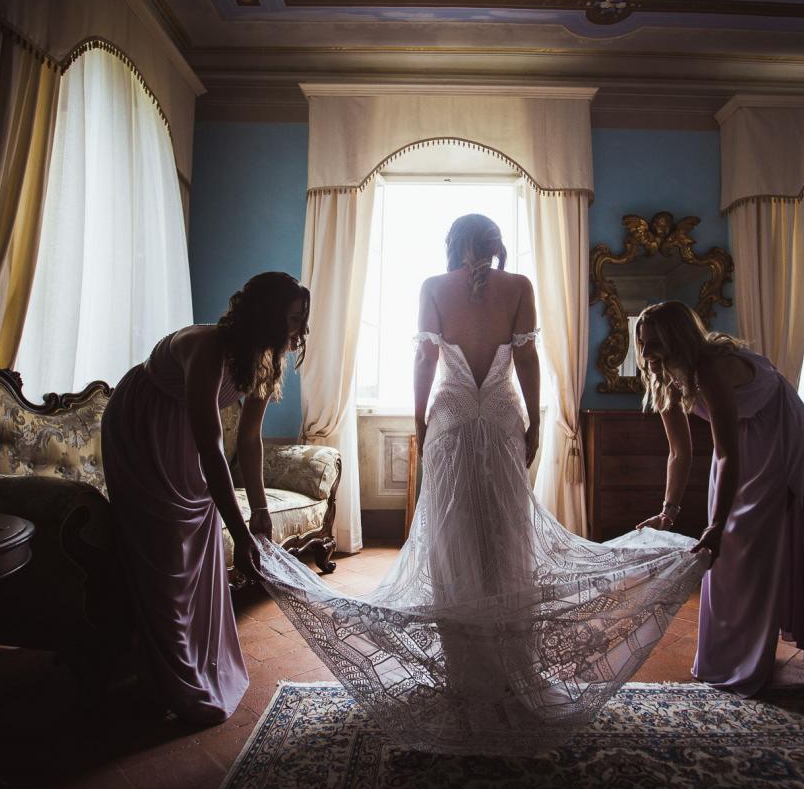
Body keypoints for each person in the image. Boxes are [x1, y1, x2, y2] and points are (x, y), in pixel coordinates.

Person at [253, 214, 706, 755]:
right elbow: (527, 356)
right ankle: (510, 669)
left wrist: (421, 422)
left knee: (453, 537)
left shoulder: (432, 288)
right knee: (505, 535)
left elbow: (424, 358)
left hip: (450, 414)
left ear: (454, 245)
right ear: (494, 247)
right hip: (500, 413)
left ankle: (468, 674)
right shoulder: (520, 288)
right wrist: (535, 420)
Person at [101, 271, 310, 724]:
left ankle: (191, 663)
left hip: (180, 433)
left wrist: (259, 514)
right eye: (292, 319)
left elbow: (250, 439)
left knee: (200, 536)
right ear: (266, 315)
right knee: (168, 545)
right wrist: (241, 531)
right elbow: (212, 448)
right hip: (141, 425)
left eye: (300, 320)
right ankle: (168, 676)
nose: (298, 331)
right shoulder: (210, 347)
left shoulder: (267, 358)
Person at [634, 300, 804, 694]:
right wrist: (668, 513)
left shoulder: (707, 365)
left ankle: (752, 662)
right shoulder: (660, 376)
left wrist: (715, 526)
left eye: (655, 342)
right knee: (722, 552)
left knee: (743, 541)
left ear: (678, 339)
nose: (646, 354)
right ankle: (724, 659)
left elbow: (726, 452)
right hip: (739, 437)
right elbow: (681, 451)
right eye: (641, 343)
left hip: (776, 430)